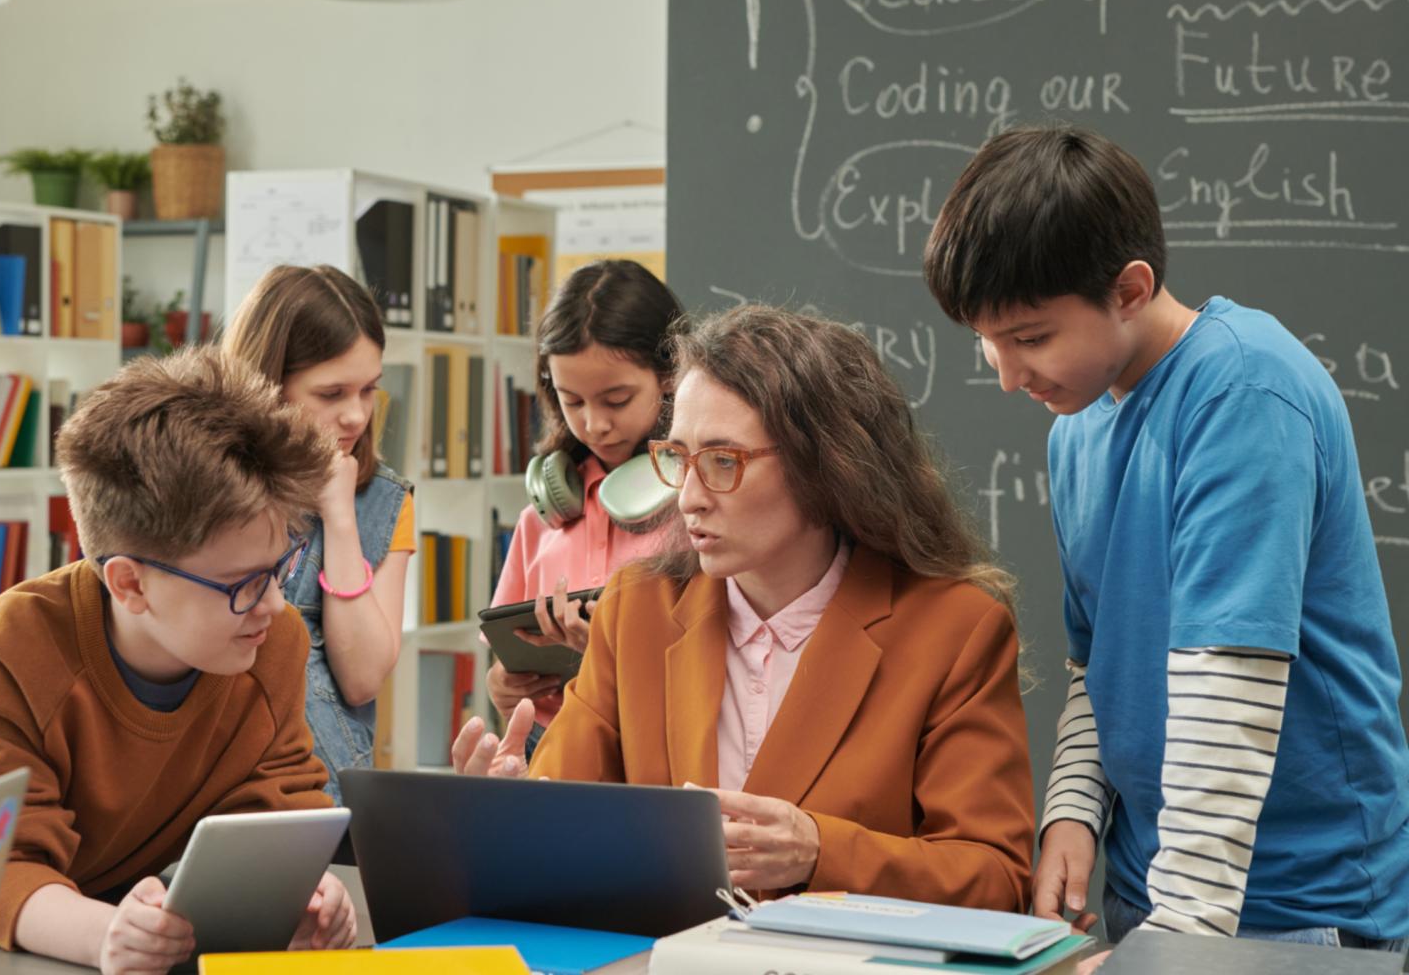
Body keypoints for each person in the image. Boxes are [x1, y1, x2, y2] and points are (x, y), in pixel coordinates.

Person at [924, 123, 1409, 954]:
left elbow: (1231, 690)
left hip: (1296, 907)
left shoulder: (1242, 390)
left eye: (1031, 338)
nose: (1006, 376)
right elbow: (1097, 666)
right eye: (987, 342)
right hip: (1158, 895)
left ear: (1129, 290)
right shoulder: (1076, 424)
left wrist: (1181, 944)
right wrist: (1075, 812)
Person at [0, 349, 356, 973]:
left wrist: (303, 898)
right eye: (241, 583)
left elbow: (273, 811)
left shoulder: (268, 642)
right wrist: (108, 935)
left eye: (280, 567)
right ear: (129, 584)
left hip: (72, 894)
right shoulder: (8, 654)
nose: (272, 603)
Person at [455, 304, 1035, 911]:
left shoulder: (956, 630)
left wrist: (819, 850)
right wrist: (502, 820)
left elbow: (998, 879)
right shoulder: (635, 611)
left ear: (828, 465)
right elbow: (561, 831)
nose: (688, 499)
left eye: (724, 462)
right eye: (678, 458)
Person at [221, 264, 413, 803]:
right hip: (208, 793)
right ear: (266, 383)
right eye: (331, 394)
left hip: (324, 802)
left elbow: (362, 678)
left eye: (369, 389)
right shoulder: (203, 491)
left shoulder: (386, 502)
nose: (355, 415)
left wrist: (339, 515)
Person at [486, 259, 685, 753]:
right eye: (573, 401)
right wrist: (503, 688)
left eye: (616, 400)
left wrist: (609, 652)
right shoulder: (545, 517)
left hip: (653, 751)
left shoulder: (698, 510)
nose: (594, 424)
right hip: (549, 745)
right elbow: (506, 655)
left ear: (670, 375)